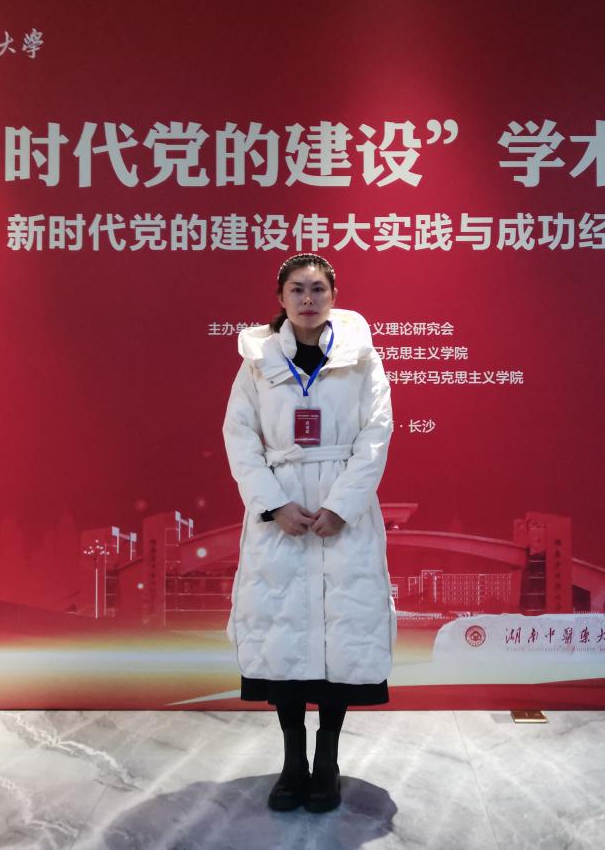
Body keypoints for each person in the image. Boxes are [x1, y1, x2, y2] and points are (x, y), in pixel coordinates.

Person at [223, 253, 396, 813]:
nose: (307, 299)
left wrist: (342, 506)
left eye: (317, 289)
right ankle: (292, 760)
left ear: (333, 296)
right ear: (280, 297)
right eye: (296, 289)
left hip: (342, 516)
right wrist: (273, 505)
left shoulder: (362, 358)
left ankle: (328, 761)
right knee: (286, 637)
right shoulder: (257, 362)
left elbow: (376, 434)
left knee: (340, 638)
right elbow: (239, 436)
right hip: (283, 513)